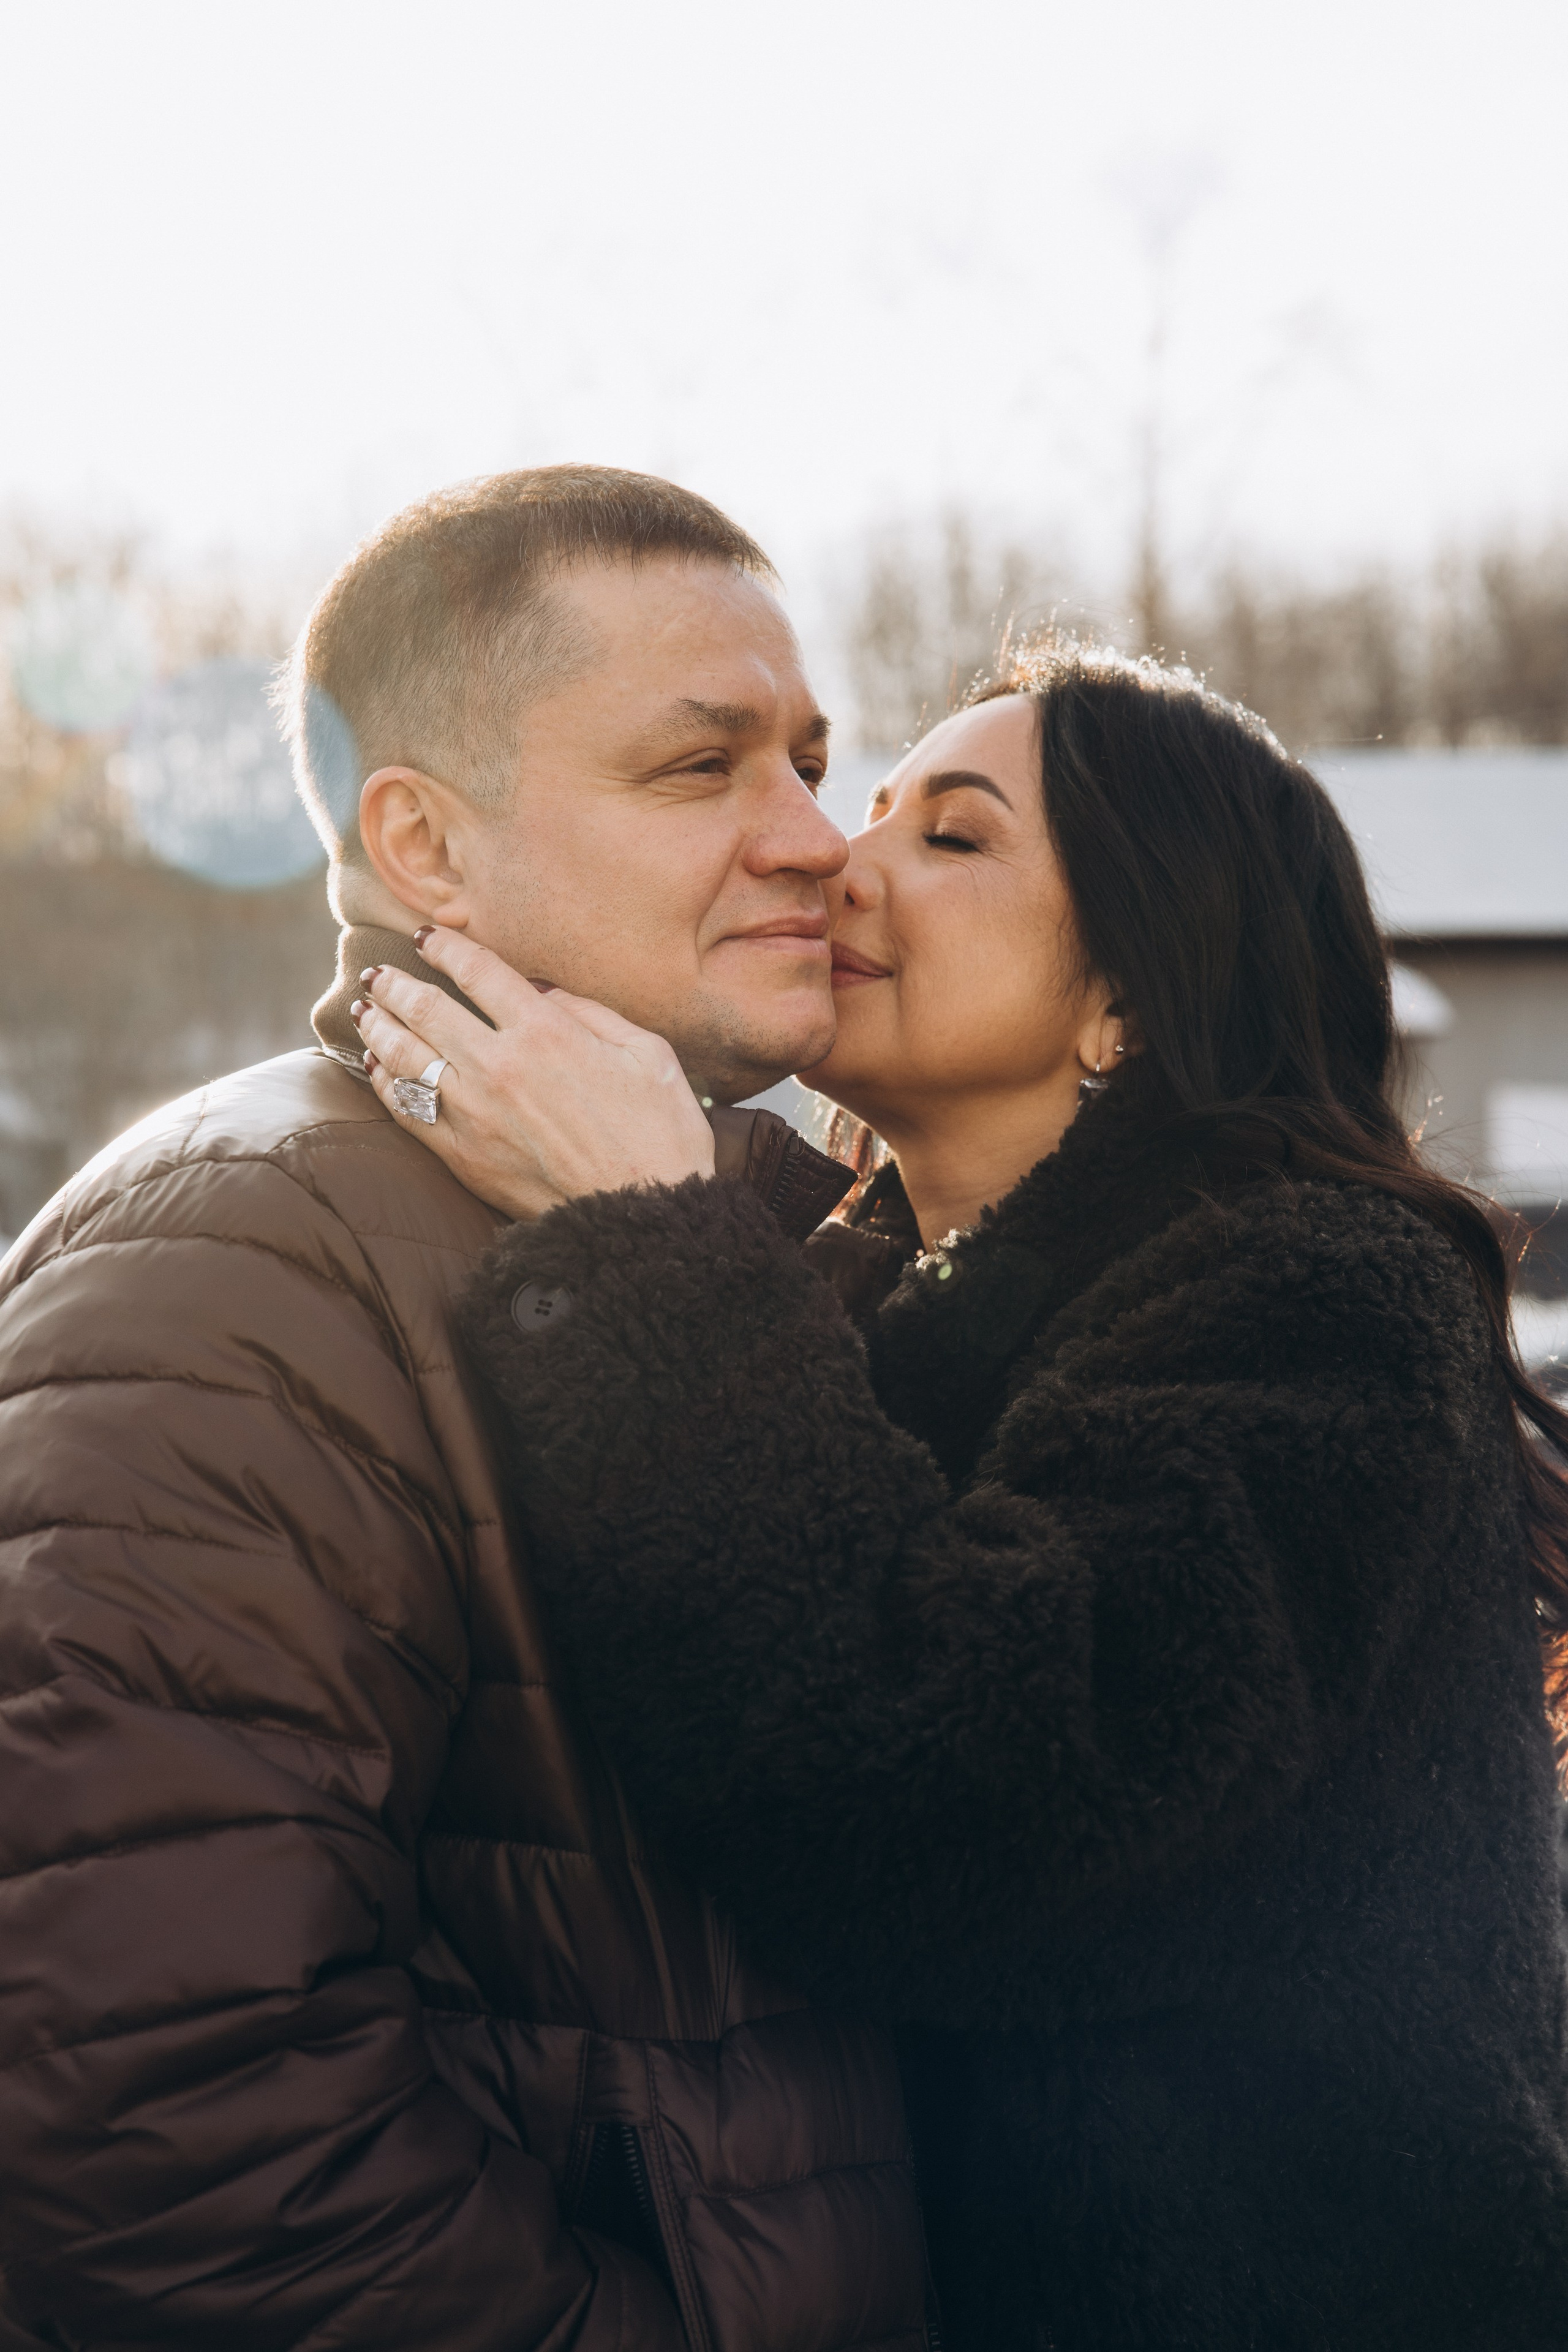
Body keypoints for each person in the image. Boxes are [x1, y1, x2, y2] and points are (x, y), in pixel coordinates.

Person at [353, 642, 1568, 2352]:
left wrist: (648, 1234)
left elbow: (962, 1797)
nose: (844, 860)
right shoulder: (890, 1296)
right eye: (878, 806)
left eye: (956, 836)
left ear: (1124, 1002)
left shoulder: (1325, 1302)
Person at [0, 468, 933, 2351]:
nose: (816, 839)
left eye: (814, 762)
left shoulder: (729, 1226)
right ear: (422, 847)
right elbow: (149, 2087)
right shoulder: (236, 1269)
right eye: (702, 770)